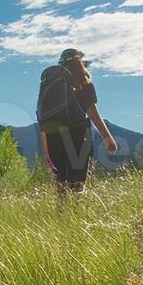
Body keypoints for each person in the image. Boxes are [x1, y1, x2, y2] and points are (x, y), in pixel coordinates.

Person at [40, 49, 118, 195]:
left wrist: (46, 151)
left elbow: (44, 120)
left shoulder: (50, 86)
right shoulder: (83, 82)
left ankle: (61, 215)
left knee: (61, 182)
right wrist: (108, 138)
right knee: (77, 182)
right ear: (80, 63)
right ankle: (75, 212)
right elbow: (92, 112)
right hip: (78, 134)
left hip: (54, 137)